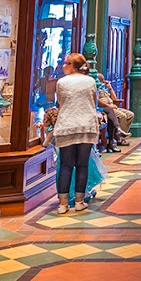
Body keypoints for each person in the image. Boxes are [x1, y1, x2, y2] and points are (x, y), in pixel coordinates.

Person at [50, 52, 100, 215]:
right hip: (86, 126)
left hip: (67, 125)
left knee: (66, 165)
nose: (64, 66)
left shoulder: (62, 82)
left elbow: (60, 102)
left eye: (66, 63)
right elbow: (93, 101)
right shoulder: (90, 81)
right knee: (82, 165)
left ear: (72, 65)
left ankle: (63, 204)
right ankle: (79, 201)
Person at [96, 78, 133, 147]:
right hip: (106, 108)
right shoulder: (96, 89)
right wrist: (109, 106)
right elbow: (97, 102)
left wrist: (110, 88)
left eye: (103, 80)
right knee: (122, 116)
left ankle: (121, 134)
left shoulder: (103, 89)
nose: (103, 82)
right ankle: (120, 139)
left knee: (130, 114)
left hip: (113, 106)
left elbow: (114, 98)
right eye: (101, 80)